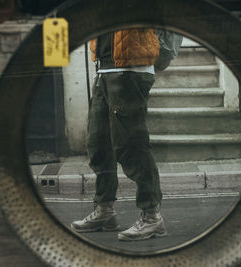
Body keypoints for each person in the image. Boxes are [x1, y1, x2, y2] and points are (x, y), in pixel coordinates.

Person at [70, 28, 166, 241]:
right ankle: (105, 211)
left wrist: (159, 57)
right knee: (98, 143)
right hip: (104, 69)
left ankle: (152, 216)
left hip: (131, 71)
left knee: (131, 145)